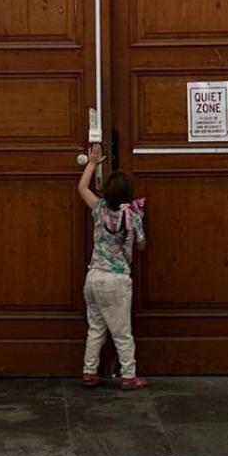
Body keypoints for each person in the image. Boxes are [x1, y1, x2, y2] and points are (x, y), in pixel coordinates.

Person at [77, 144, 147, 390]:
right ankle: (129, 375)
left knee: (95, 327)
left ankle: (89, 370)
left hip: (94, 277)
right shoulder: (132, 216)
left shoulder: (99, 210)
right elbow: (140, 245)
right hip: (117, 281)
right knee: (122, 331)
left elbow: (82, 188)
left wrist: (93, 162)